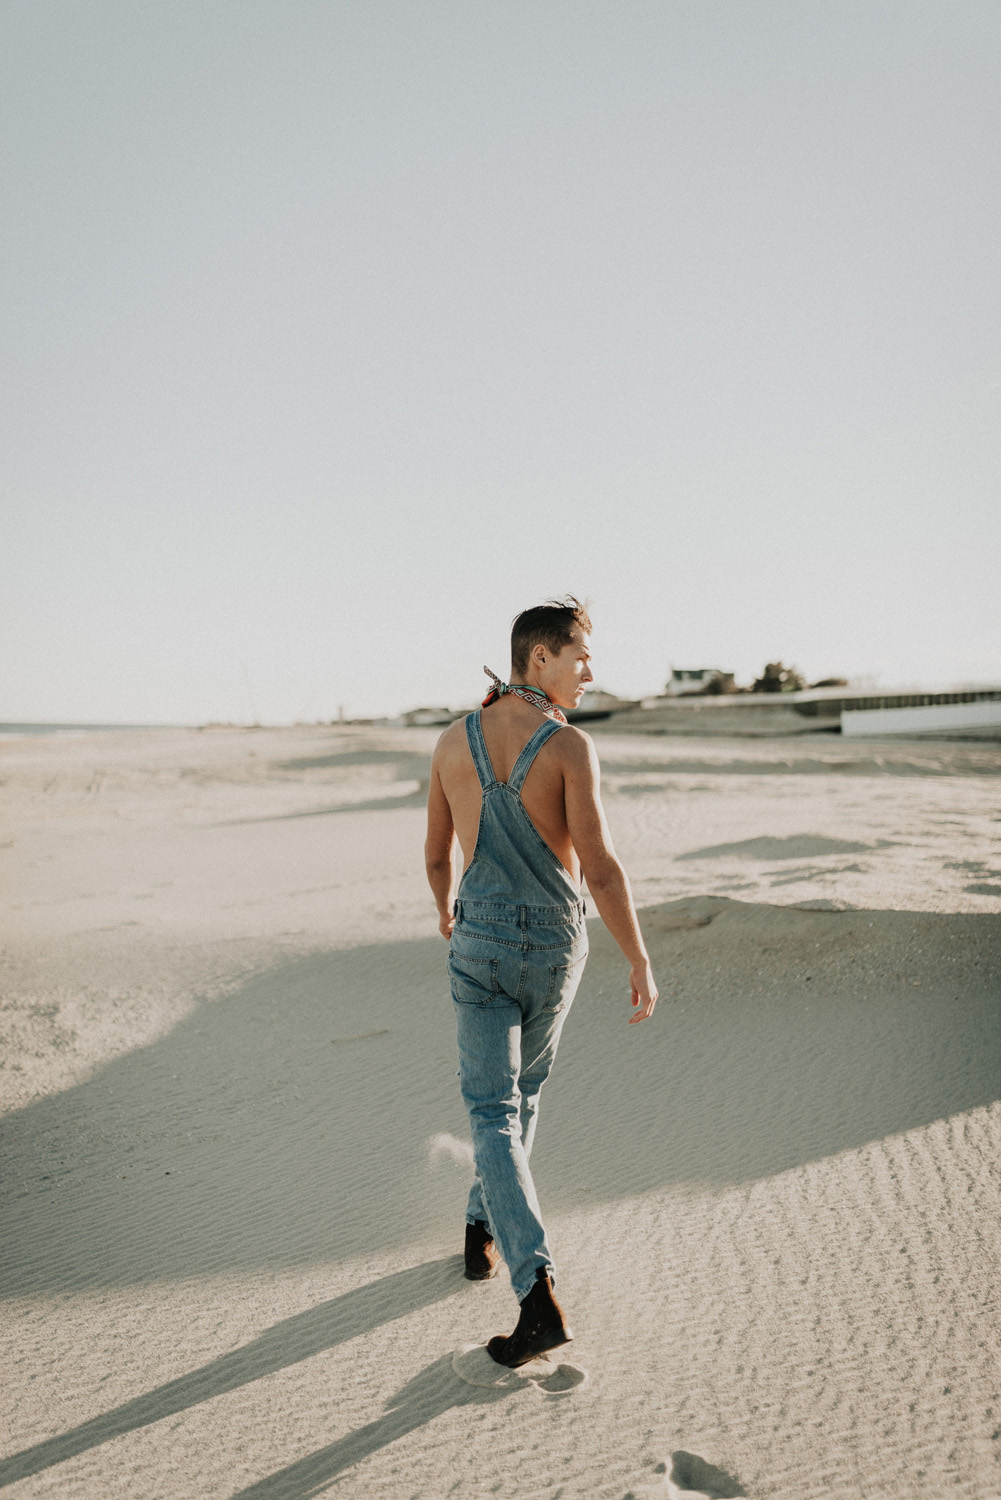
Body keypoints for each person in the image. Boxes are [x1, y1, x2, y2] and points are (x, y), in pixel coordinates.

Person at [424, 596, 658, 1368]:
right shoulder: (567, 748)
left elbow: (434, 856)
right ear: (537, 660)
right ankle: (531, 1287)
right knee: (515, 1102)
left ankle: (484, 1235)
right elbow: (599, 866)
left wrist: (446, 915)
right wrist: (638, 957)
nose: (589, 672)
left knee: (493, 1110)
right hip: (555, 944)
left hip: (480, 939)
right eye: (579, 657)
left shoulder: (451, 742)